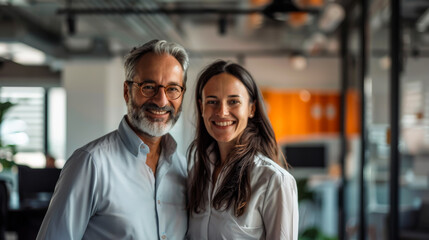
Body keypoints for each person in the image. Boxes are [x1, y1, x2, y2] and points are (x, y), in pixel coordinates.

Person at [37, 39, 189, 239]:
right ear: (127, 92)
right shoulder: (91, 163)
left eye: (172, 89)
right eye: (149, 87)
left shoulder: (182, 167)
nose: (161, 100)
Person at [187, 60, 299, 240]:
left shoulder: (273, 180)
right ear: (201, 107)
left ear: (251, 108)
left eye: (233, 101)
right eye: (212, 101)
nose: (222, 111)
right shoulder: (196, 175)